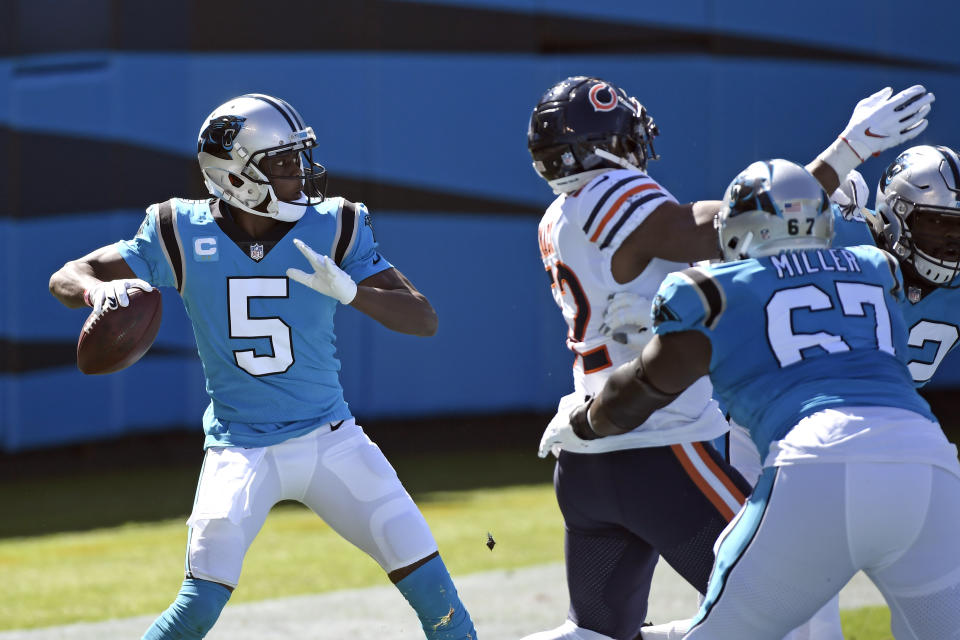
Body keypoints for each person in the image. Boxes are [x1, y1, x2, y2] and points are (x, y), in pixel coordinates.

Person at [48, 94, 477, 640]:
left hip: (330, 437)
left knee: (442, 606)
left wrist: (353, 293)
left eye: (299, 158)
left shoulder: (335, 224)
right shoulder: (179, 229)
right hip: (238, 446)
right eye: (281, 162)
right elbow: (69, 274)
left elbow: (423, 319)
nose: (299, 174)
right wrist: (98, 291)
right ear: (235, 174)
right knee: (195, 610)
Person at [571, 159, 960, 639]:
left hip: (814, 460)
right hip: (927, 460)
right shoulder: (877, 270)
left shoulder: (710, 291)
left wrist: (584, 422)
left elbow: (636, 397)